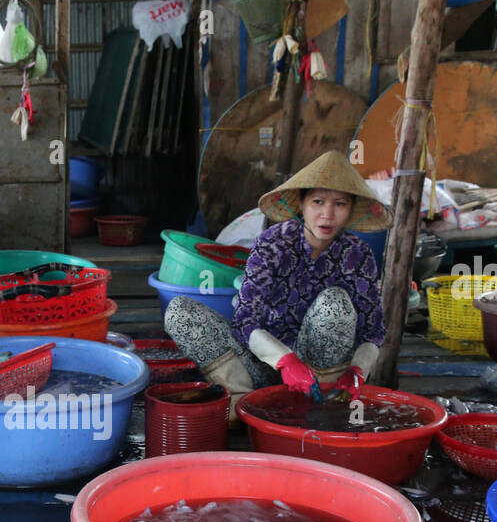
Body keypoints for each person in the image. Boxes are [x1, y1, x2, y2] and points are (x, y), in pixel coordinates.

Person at [165, 151, 393, 410]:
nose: (327, 215)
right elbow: (245, 319)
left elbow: (372, 331)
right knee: (179, 312)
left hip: (323, 382)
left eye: (340, 204)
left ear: (350, 209)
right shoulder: (272, 244)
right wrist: (286, 362)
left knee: (334, 302)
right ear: (302, 204)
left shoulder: (358, 254)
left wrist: (357, 371)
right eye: (318, 201)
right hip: (263, 367)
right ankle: (244, 405)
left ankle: (323, 408)